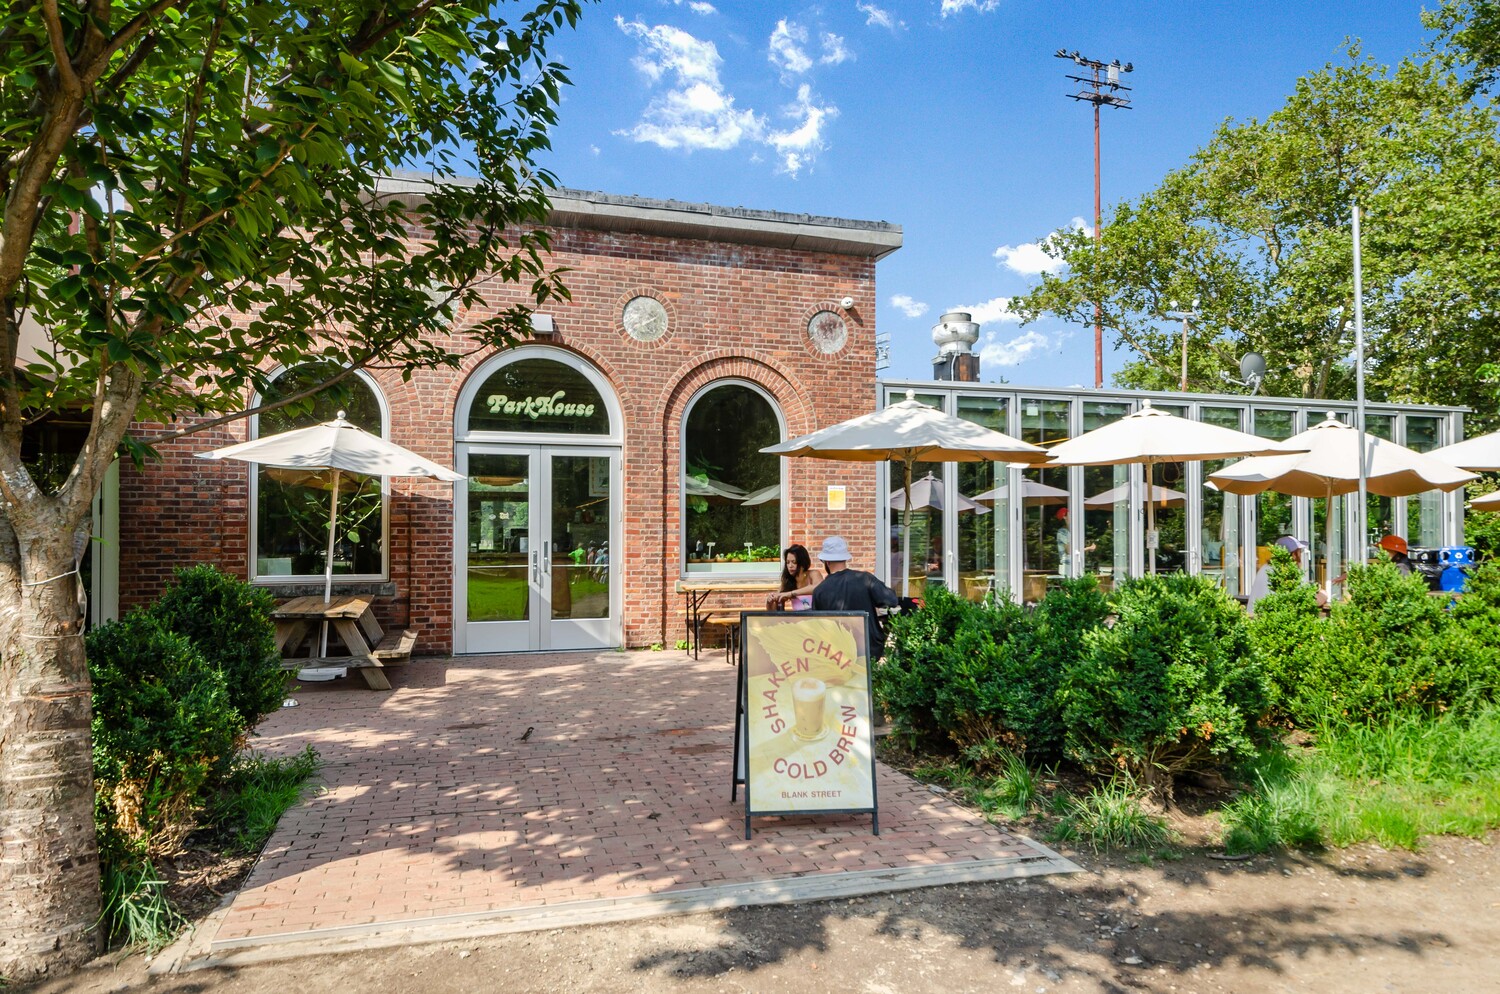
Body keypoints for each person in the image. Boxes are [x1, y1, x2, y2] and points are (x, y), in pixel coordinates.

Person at [811, 535, 900, 659]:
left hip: (837, 654)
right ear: (845, 559)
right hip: (869, 649)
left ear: (826, 561)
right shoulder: (865, 579)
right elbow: (891, 600)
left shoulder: (819, 591)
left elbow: (818, 627)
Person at [1248, 535, 1327, 613]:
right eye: (1299, 552)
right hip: (1273, 622)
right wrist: (1323, 593)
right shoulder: (1289, 572)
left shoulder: (1265, 568)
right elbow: (1312, 601)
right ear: (1293, 555)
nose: (1300, 555)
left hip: (1254, 620)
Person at [767, 543, 822, 610]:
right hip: (798, 620)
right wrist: (770, 602)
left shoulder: (813, 574)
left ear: (802, 562)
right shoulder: (788, 581)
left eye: (794, 562)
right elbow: (774, 612)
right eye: (788, 562)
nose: (790, 566)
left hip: (816, 618)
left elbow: (819, 588)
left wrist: (791, 593)